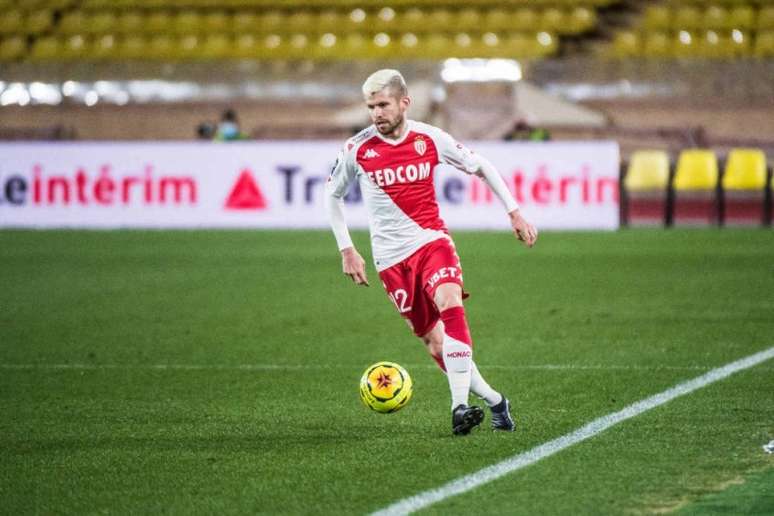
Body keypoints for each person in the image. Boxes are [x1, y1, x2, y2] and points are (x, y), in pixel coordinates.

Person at [324, 69, 538, 436]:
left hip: (430, 241)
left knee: (450, 301)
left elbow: (481, 165)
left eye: (383, 104)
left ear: (404, 103)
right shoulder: (357, 148)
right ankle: (495, 400)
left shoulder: (429, 138)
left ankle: (458, 407)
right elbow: (332, 195)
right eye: (371, 106)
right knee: (434, 341)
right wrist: (347, 249)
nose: (376, 113)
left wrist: (514, 211)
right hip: (390, 259)